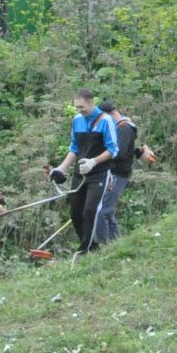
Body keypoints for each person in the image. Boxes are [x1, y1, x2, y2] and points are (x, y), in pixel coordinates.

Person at [48, 89, 119, 252]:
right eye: (77, 107)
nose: (80, 111)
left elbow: (113, 149)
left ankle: (84, 250)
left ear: (91, 103)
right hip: (80, 173)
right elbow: (74, 147)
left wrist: (94, 161)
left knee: (90, 211)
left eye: (82, 107)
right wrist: (61, 168)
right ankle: (91, 246)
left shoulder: (106, 120)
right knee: (75, 212)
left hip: (99, 173)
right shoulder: (77, 120)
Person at [91, 100, 157, 246]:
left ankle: (102, 246)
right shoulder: (121, 127)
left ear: (109, 115)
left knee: (100, 211)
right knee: (107, 211)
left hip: (118, 175)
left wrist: (100, 157)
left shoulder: (124, 128)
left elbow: (119, 153)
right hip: (114, 174)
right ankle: (117, 243)